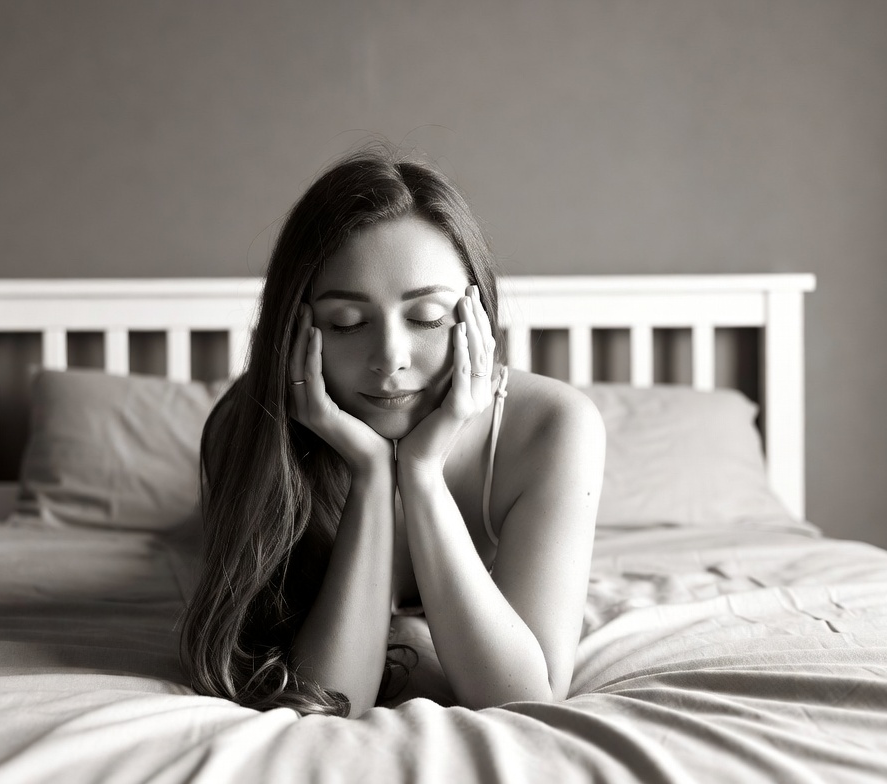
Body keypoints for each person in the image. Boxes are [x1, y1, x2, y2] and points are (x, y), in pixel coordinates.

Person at [180, 145, 605, 718]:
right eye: (347, 323)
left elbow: (523, 697)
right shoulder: (245, 427)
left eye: (426, 318)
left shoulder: (553, 428)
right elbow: (335, 701)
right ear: (296, 329)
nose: (390, 358)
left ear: (477, 318)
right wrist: (372, 475)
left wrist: (422, 474)